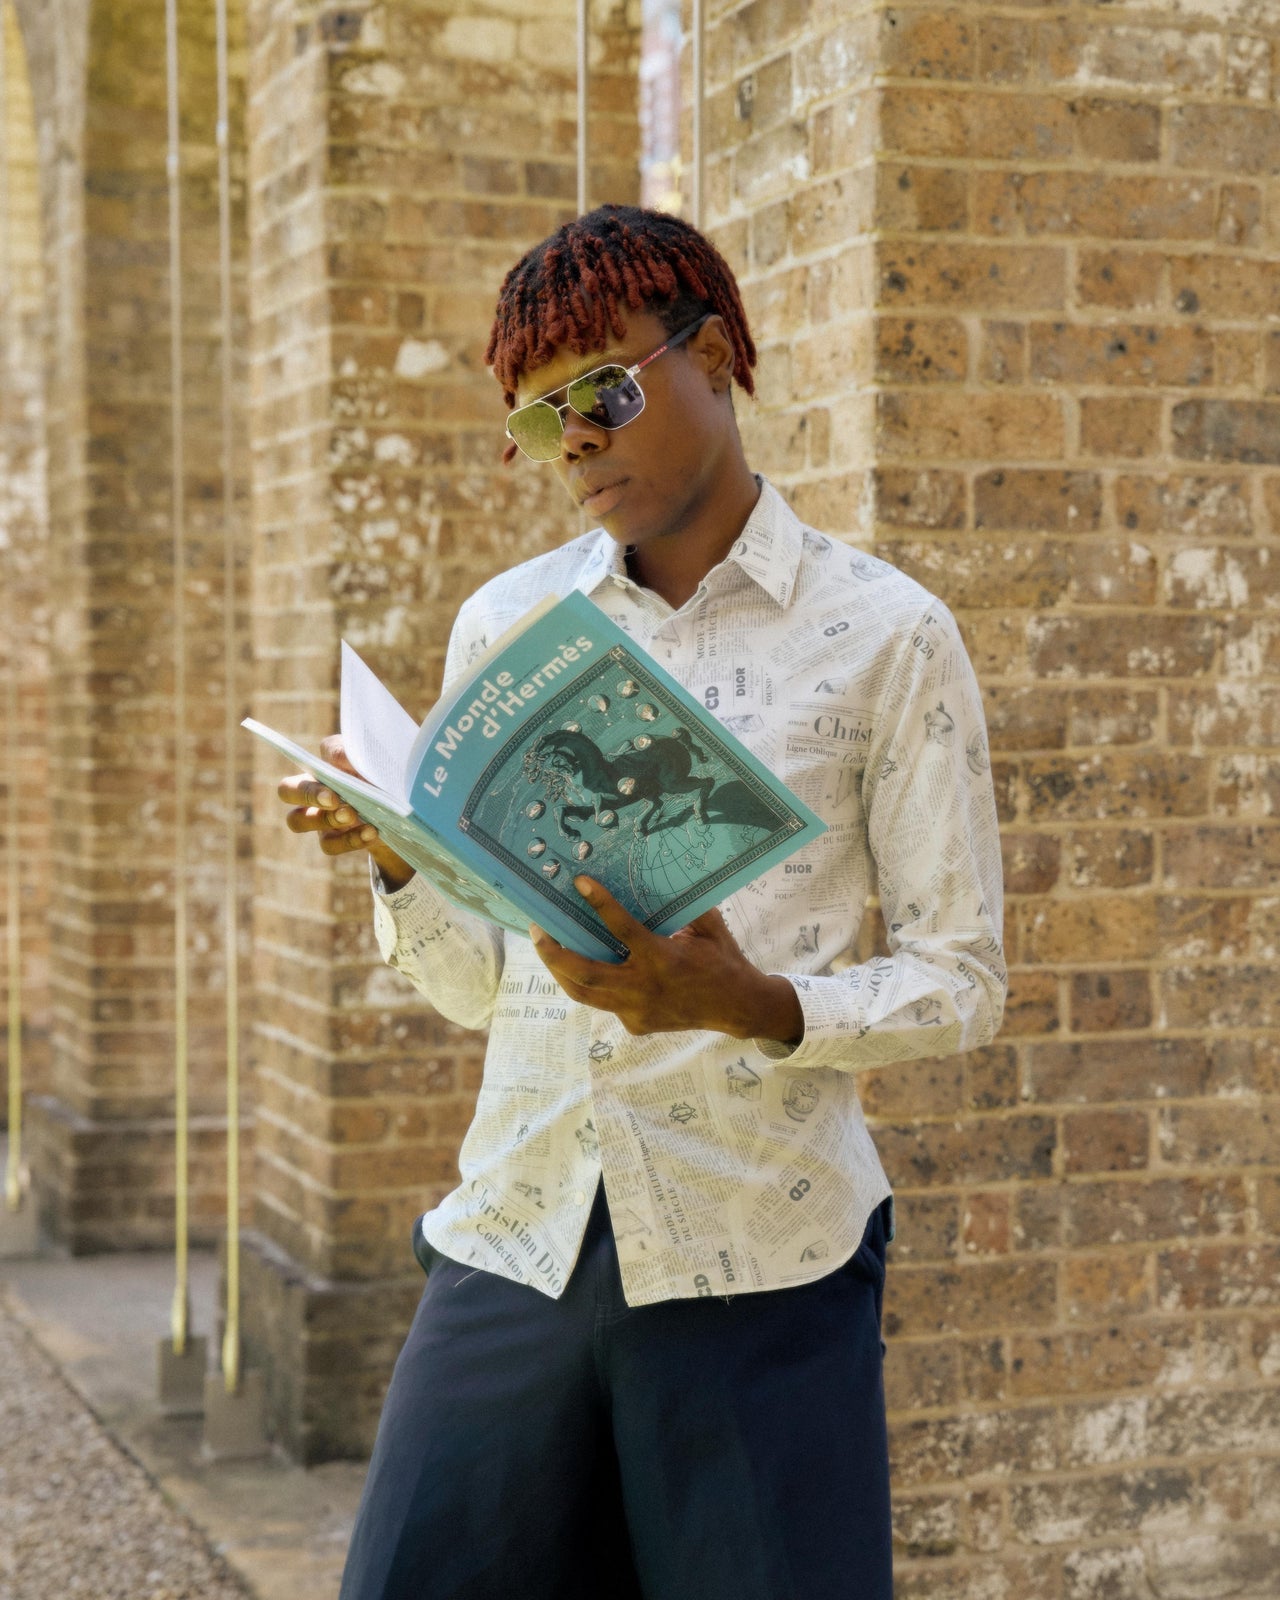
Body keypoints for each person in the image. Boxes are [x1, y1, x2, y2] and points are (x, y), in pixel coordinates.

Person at [277, 205, 1005, 1600]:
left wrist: (755, 1006)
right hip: (516, 1233)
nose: (579, 443)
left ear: (716, 355)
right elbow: (487, 984)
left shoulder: (887, 637)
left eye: (601, 392)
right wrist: (392, 858)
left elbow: (963, 980)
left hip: (760, 1263)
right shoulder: (508, 629)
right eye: (542, 420)